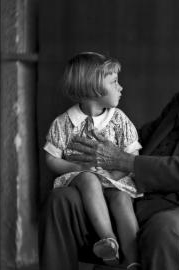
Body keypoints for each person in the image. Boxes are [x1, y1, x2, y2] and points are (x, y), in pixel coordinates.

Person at [39, 21, 179, 270]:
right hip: (139, 195)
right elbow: (140, 138)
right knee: (62, 199)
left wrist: (124, 161)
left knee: (165, 229)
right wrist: (96, 146)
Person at [42, 52, 142, 269]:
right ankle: (108, 240)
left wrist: (116, 175)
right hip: (82, 180)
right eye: (114, 82)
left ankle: (133, 260)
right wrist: (77, 167)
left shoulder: (118, 119)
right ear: (93, 87)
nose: (120, 87)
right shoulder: (64, 123)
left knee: (122, 200)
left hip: (115, 181)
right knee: (88, 179)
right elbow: (51, 158)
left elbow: (132, 153)